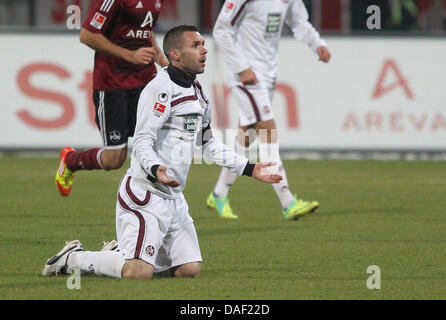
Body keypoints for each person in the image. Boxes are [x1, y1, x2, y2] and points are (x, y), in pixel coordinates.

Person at [42, 25, 283, 279]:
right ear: (175, 55)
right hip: (145, 193)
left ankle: (120, 253)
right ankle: (73, 258)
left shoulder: (199, 92)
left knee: (188, 270)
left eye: (203, 44)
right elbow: (143, 140)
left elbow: (208, 143)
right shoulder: (159, 89)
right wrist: (156, 169)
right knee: (138, 273)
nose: (204, 50)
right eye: (196, 45)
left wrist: (250, 168)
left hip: (174, 198)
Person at [206, 0, 331, 220]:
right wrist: (241, 67)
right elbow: (221, 29)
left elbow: (300, 23)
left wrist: (318, 44)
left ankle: (218, 193)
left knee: (247, 136)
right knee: (268, 129)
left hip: (267, 75)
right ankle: (287, 201)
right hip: (246, 75)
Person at [55, 0, 169, 197]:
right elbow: (88, 35)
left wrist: (159, 56)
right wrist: (129, 55)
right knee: (114, 159)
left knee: (159, 139)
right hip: (113, 85)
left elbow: (143, 27)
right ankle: (71, 160)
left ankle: (152, 201)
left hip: (145, 80)